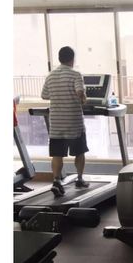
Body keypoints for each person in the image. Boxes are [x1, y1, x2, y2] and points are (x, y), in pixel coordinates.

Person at [41, 46, 90, 196]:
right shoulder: (75, 74)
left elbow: (44, 95)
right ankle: (80, 179)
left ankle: (56, 181)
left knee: (57, 154)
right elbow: (79, 92)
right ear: (72, 59)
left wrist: (58, 95)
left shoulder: (50, 75)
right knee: (79, 152)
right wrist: (83, 99)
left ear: (59, 59)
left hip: (56, 123)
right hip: (73, 122)